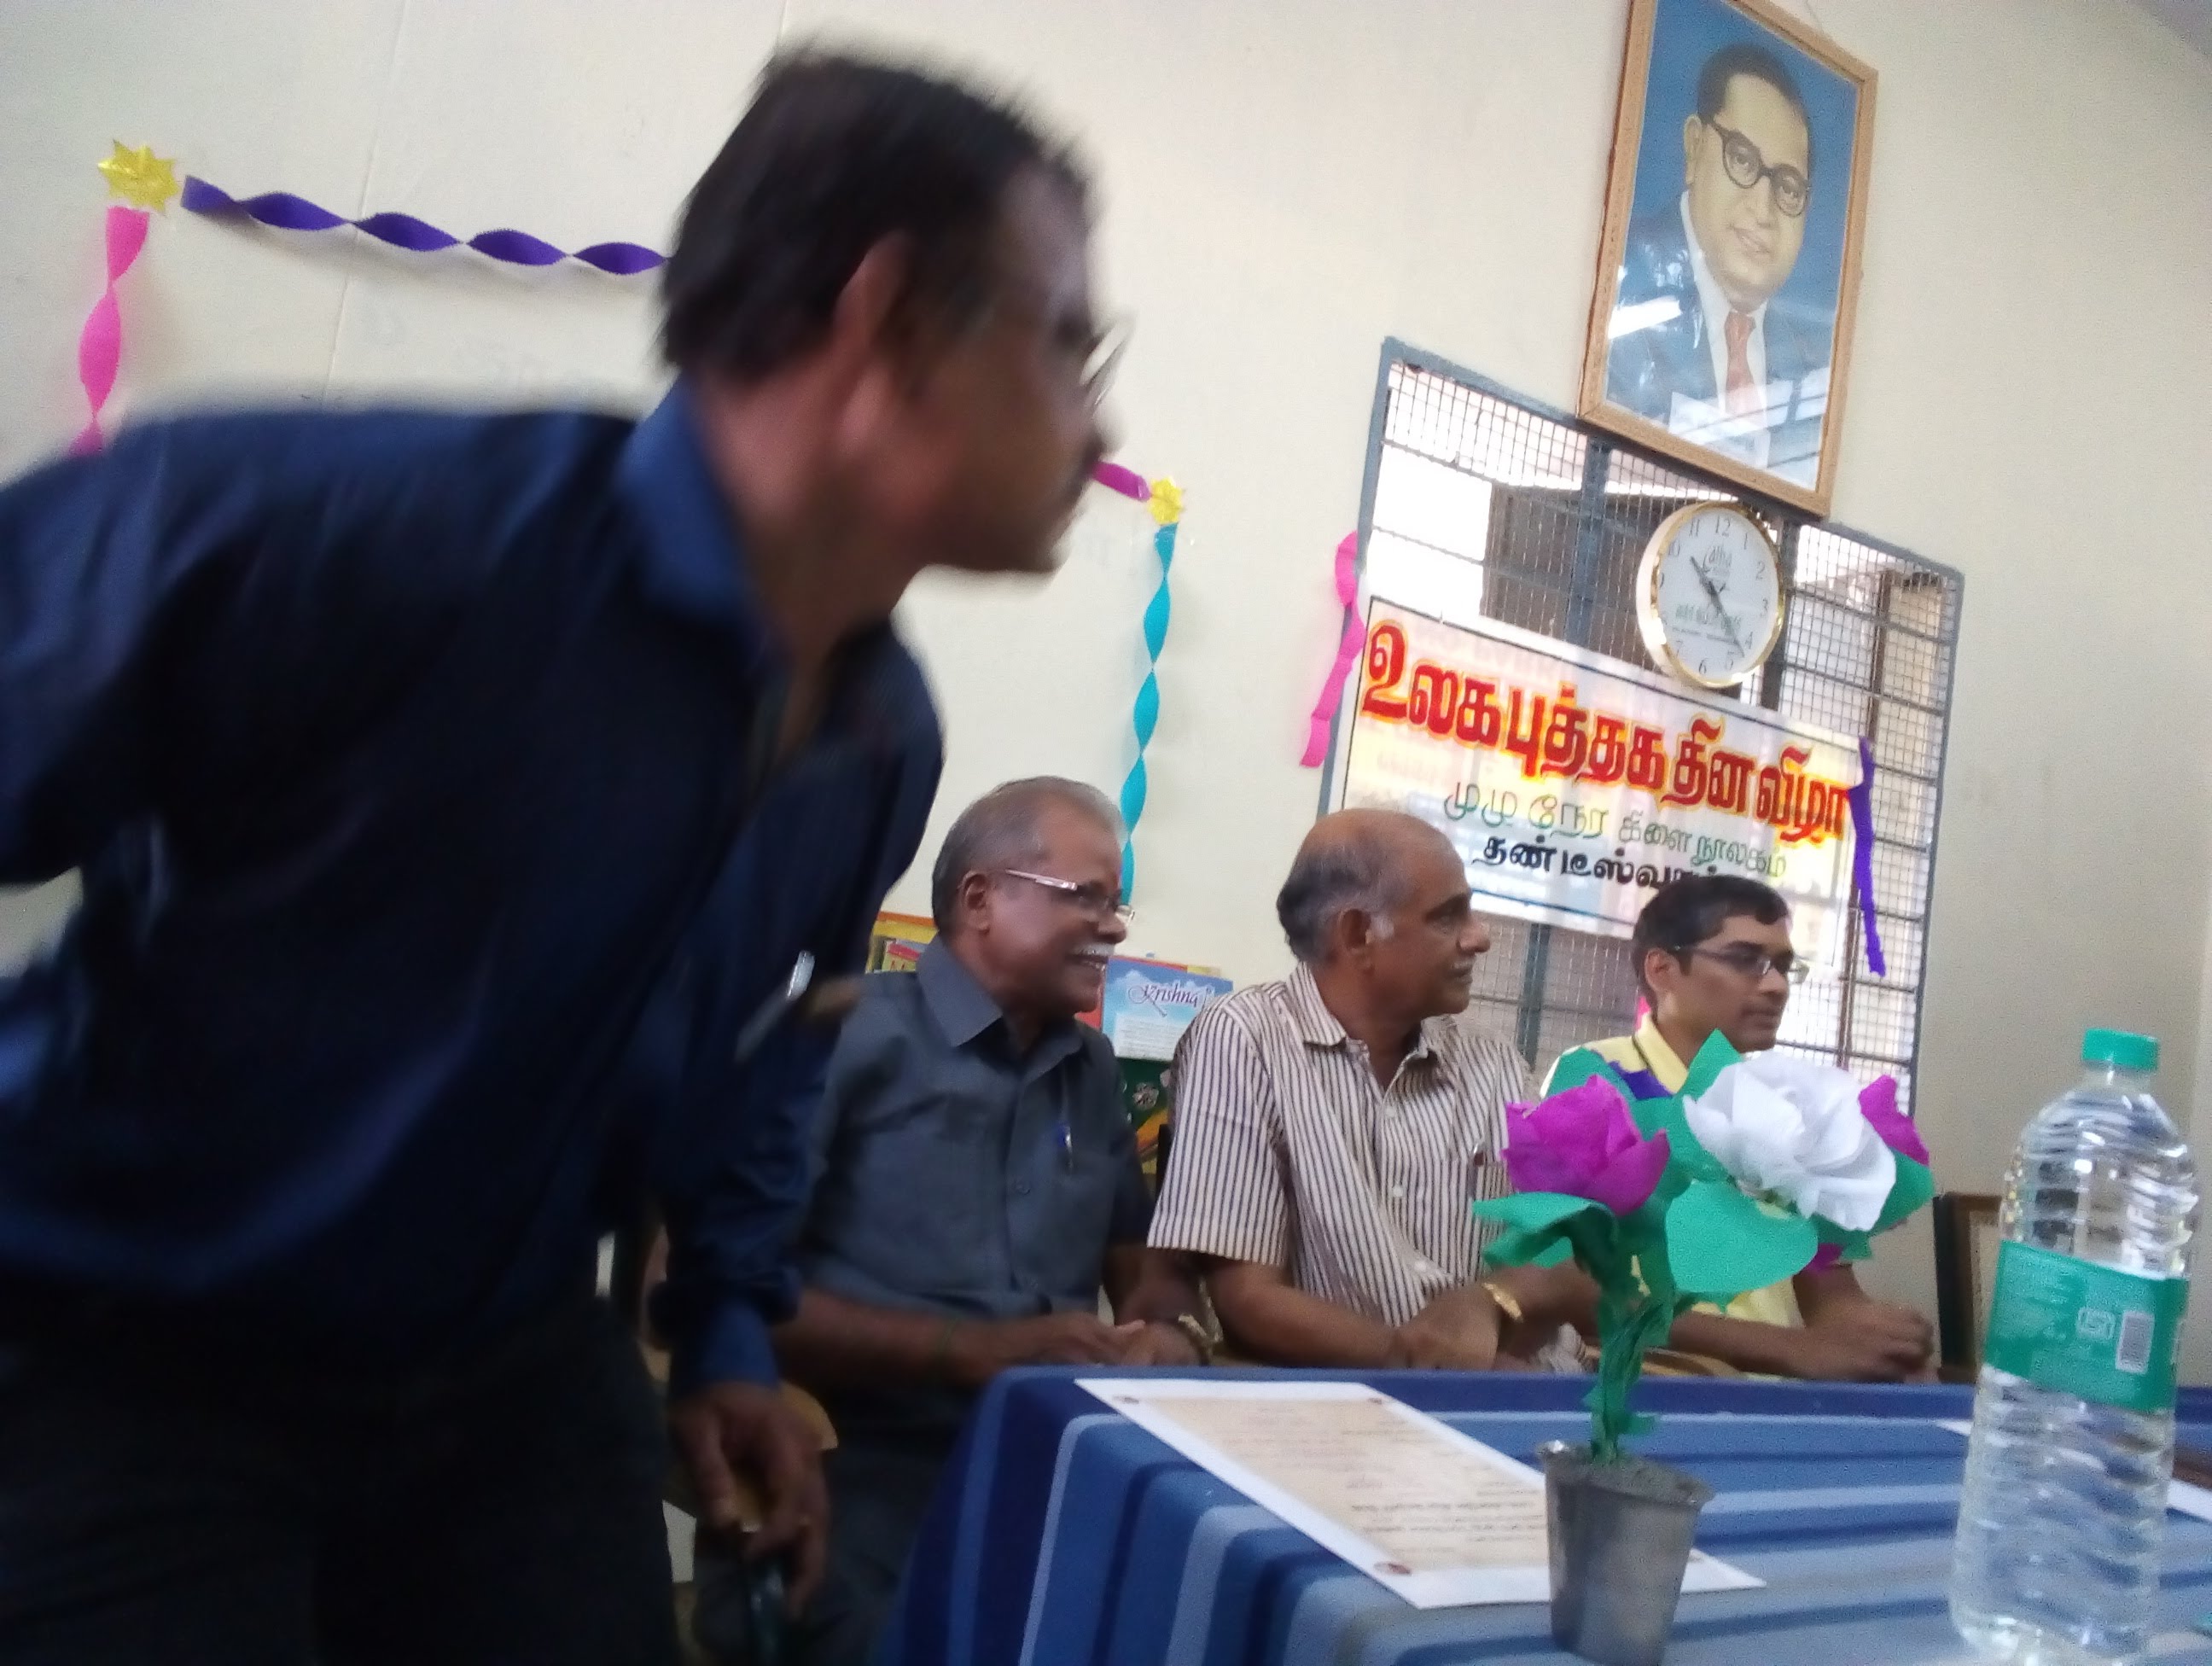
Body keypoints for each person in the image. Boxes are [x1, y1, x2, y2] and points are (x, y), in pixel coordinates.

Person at [0, 54, 1112, 1666]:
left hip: (505, 1377)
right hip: (121, 1365)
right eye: (1069, 337)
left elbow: (765, 1061)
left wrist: (727, 1322)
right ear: (886, 319)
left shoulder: (878, 735)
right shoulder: (343, 539)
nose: (1101, 412)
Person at [696, 779, 1206, 1666]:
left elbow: (1143, 1265)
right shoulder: (840, 1031)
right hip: (849, 1452)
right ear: (980, 898)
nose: (1115, 925)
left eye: (1114, 900)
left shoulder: (1089, 1066)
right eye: (1085, 896)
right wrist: (972, 1350)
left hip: (1057, 1448)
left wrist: (1164, 1328)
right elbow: (715, 1288)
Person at [1147, 810, 1565, 1371]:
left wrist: (1489, 1302)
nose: (1480, 937)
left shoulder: (1494, 1060)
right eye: (1448, 917)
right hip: (1375, 1402)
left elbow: (1570, 1251)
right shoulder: (1244, 1038)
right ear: (1357, 935)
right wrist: (1450, 1368)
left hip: (1543, 1383)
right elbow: (1250, 1302)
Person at [1543, 876, 1934, 1381]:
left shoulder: (1795, 1103)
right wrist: (1787, 1349)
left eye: (1784, 966)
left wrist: (1883, 1339)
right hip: (1638, 1386)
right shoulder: (1596, 1080)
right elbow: (1558, 1287)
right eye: (1745, 959)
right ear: (1661, 969)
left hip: (1767, 1392)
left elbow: (1831, 1297)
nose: (1776, 985)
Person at [1606, 42, 1830, 486]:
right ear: (1694, 147)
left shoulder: (1811, 367)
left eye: (1788, 188)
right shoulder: (1623, 283)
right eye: (1742, 159)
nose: (1763, 210)